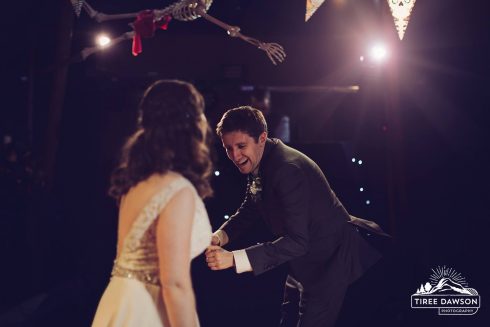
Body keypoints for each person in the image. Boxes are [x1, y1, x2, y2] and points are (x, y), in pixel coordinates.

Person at [205, 106, 388, 327]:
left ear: (262, 138)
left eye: (241, 146)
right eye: (228, 148)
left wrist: (232, 258)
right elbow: (251, 207)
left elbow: (298, 242)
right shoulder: (263, 159)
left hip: (328, 263)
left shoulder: (287, 169)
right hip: (300, 263)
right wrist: (219, 236)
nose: (235, 156)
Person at [92, 80, 213, 327]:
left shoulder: (136, 183)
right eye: (200, 113)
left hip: (120, 301)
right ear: (188, 124)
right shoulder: (178, 190)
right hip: (148, 309)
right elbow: (175, 283)